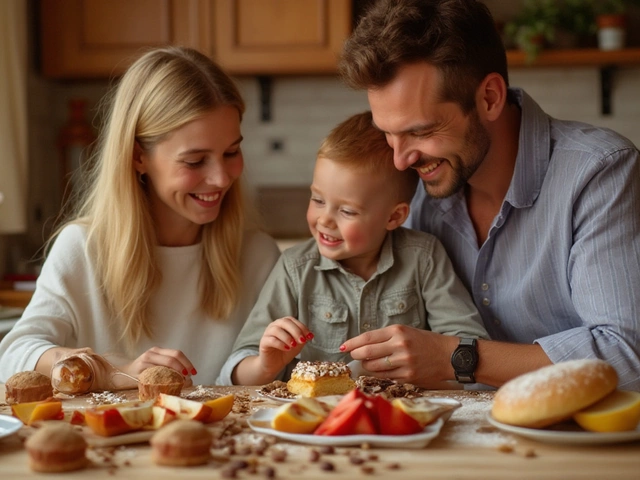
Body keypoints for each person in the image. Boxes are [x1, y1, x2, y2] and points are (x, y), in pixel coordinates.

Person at [337, 0, 640, 390]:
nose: (399, 161)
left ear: (490, 98)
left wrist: (455, 357)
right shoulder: (415, 186)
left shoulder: (600, 172)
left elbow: (627, 353)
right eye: (388, 134)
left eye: (421, 131)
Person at [0, 46, 281, 386]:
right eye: (194, 161)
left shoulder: (257, 255)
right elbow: (14, 356)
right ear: (137, 157)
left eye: (231, 152)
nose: (222, 178)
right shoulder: (83, 248)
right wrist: (105, 368)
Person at [218, 111, 489, 386]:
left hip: (403, 417)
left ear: (394, 217)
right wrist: (265, 365)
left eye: (347, 211)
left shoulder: (424, 257)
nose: (324, 220)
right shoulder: (294, 268)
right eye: (317, 199)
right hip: (317, 419)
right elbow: (235, 371)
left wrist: (433, 367)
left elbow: (470, 346)